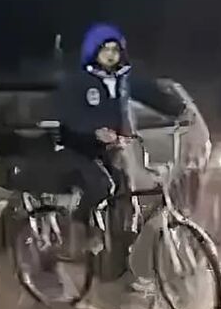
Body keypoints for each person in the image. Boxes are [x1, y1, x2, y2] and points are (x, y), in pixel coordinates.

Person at [56, 23, 188, 247]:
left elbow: (150, 93)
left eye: (115, 50)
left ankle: (122, 241)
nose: (111, 55)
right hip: (79, 147)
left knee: (126, 187)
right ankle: (80, 227)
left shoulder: (123, 79)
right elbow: (70, 114)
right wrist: (93, 131)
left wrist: (180, 110)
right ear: (93, 52)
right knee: (101, 185)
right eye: (105, 49)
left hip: (109, 146)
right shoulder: (79, 81)